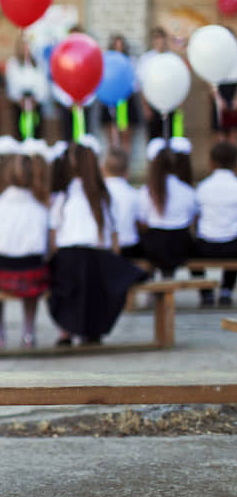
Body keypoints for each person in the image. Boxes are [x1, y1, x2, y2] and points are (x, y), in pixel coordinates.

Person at [48, 136, 148, 346]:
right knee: (99, 283)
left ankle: (65, 331)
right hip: (96, 257)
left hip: (69, 257)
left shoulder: (63, 197)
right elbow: (114, 238)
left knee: (66, 284)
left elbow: (54, 237)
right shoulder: (103, 196)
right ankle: (91, 330)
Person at [0, 141, 50, 349]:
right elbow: (44, 246)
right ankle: (28, 333)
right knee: (33, 285)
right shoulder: (41, 209)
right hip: (32, 269)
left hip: (0, 271)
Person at [138, 138, 198, 278]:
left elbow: (142, 221)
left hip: (154, 246)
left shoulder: (146, 191)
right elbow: (191, 220)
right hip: (180, 245)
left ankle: (152, 284)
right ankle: (206, 293)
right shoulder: (187, 190)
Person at [193, 142, 237, 307]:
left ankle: (206, 292)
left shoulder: (203, 187)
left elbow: (195, 217)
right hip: (232, 246)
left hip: (206, 246)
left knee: (190, 248)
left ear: (210, 162)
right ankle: (226, 289)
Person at [100, 34, 140, 155]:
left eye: (120, 45)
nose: (118, 48)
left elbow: (135, 82)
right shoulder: (106, 60)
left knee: (125, 136)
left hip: (125, 101)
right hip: (109, 101)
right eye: (116, 45)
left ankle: (124, 168)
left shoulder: (130, 61)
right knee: (111, 136)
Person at [5, 35, 49, 140]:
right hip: (20, 100)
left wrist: (37, 98)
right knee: (21, 129)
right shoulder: (13, 63)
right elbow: (12, 83)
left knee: (37, 128)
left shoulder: (38, 62)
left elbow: (42, 81)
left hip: (35, 99)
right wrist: (19, 99)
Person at [103, 149, 143, 258]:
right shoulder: (133, 193)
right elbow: (140, 223)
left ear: (103, 169)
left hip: (107, 247)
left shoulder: (99, 193)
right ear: (127, 171)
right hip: (129, 246)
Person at [137, 27, 175, 139]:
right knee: (152, 136)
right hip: (152, 102)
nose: (160, 41)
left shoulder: (172, 58)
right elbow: (141, 84)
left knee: (169, 135)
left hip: (169, 103)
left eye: (162, 38)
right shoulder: (146, 59)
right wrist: (145, 106)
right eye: (157, 38)